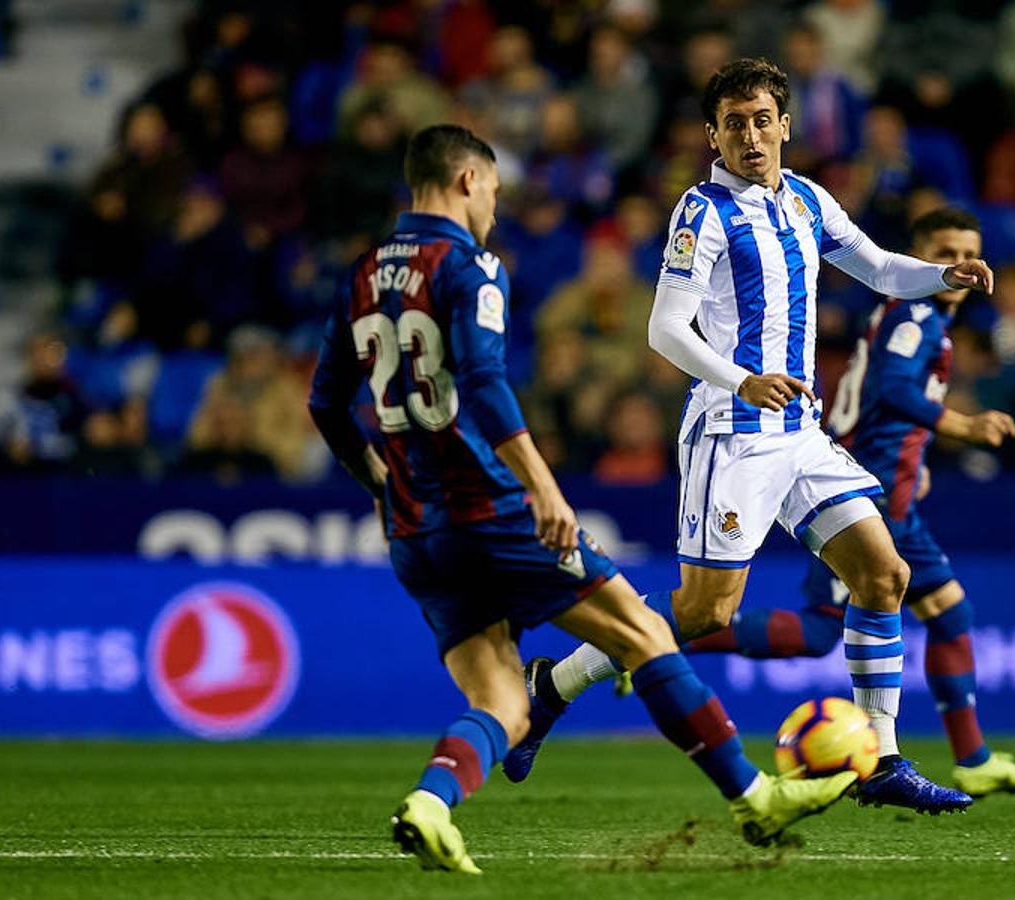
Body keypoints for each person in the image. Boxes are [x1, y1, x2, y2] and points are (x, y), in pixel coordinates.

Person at [307, 124, 856, 875]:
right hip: (490, 507)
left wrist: (379, 482)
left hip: (413, 526)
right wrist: (542, 489)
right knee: (645, 632)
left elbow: (327, 405)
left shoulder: (364, 273)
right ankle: (754, 796)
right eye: (494, 194)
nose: (493, 211)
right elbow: (488, 387)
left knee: (502, 699)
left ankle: (430, 804)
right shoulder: (471, 267)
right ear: (469, 181)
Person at [507, 59, 995, 814]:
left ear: (785, 126)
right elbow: (664, 328)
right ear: (715, 134)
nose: (751, 134)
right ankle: (551, 684)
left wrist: (945, 276)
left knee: (884, 576)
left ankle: (881, 760)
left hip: (799, 432)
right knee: (705, 616)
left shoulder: (805, 198)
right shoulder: (702, 211)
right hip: (732, 430)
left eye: (762, 119)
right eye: (734, 123)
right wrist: (741, 380)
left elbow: (879, 269)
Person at [682, 209, 1015, 797]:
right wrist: (964, 426)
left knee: (942, 613)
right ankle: (657, 640)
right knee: (818, 631)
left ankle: (968, 757)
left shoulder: (924, 319)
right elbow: (894, 391)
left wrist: (919, 461)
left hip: (891, 489)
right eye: (944, 251)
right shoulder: (915, 316)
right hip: (866, 494)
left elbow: (881, 405)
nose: (958, 264)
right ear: (921, 256)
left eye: (968, 251)